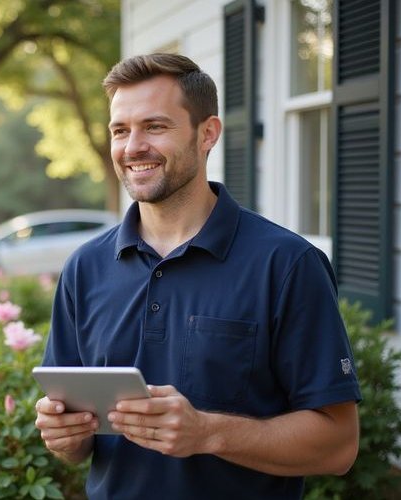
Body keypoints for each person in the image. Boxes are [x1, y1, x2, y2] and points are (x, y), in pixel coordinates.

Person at [34, 53, 361, 499]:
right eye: (120, 130)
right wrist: (65, 438)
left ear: (207, 133)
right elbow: (77, 445)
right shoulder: (84, 268)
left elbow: (338, 445)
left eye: (155, 126)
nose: (132, 147)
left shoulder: (287, 264)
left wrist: (208, 433)